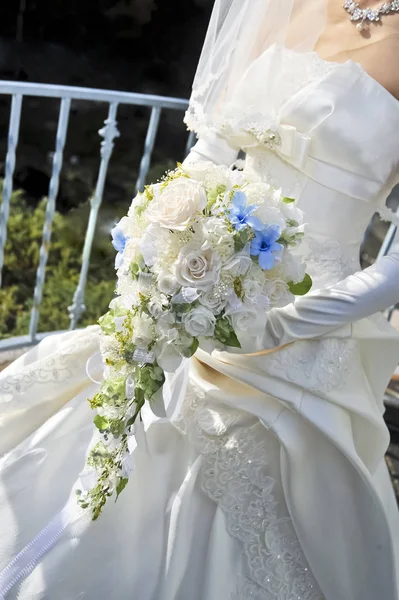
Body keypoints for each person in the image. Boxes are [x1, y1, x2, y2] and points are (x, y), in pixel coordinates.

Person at [1, 1, 399, 598]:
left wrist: (284, 324)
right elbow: (208, 155)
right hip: (199, 275)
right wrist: (162, 250)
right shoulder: (285, 6)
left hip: (304, 322)